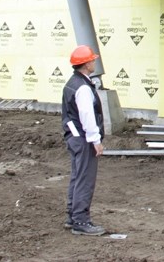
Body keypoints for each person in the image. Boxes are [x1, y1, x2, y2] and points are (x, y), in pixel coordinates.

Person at [61, 45, 106, 236]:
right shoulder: (83, 88)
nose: (94, 61)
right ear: (86, 63)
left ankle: (73, 216)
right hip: (83, 138)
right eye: (92, 59)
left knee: (77, 176)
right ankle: (81, 220)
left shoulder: (73, 83)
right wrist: (96, 140)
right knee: (85, 179)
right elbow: (87, 115)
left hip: (74, 136)